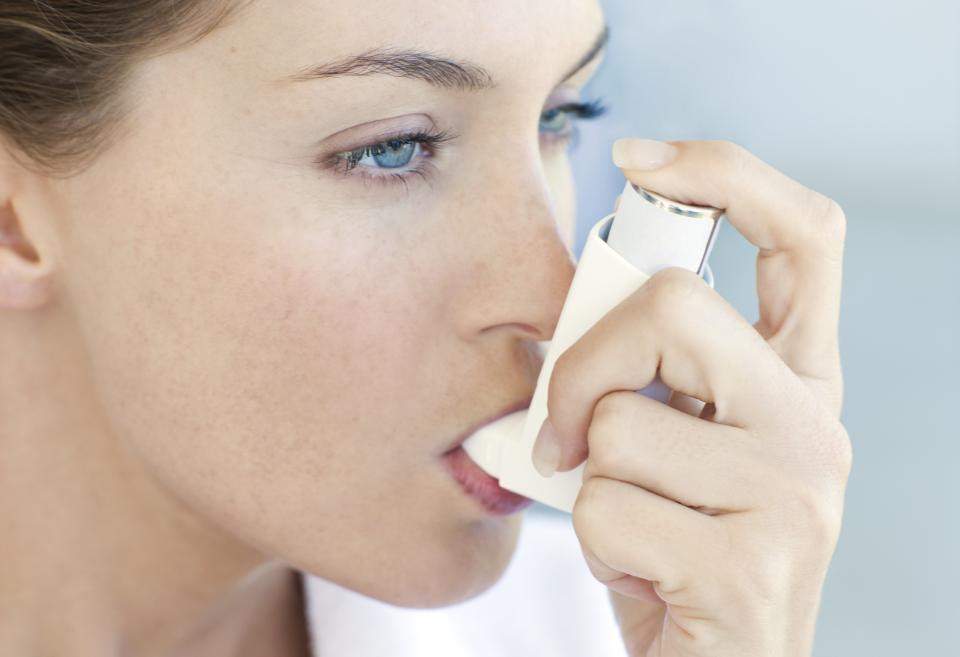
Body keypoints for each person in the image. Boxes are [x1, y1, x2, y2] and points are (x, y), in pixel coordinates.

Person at [0, 1, 851, 655]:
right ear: (13, 217)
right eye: (393, 149)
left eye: (559, 118)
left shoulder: (613, 629)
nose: (559, 304)